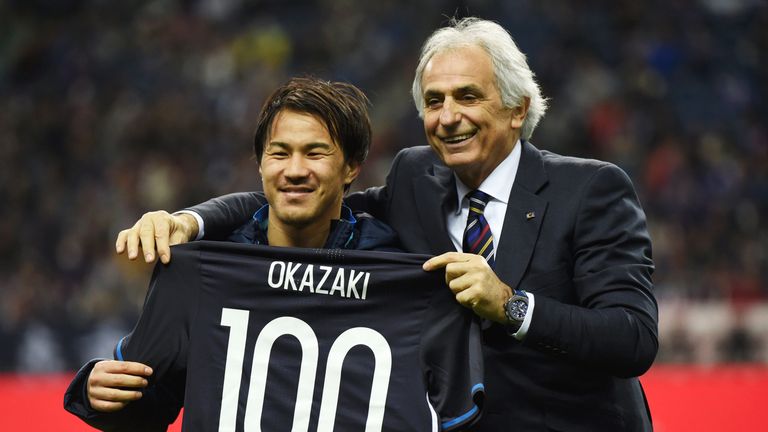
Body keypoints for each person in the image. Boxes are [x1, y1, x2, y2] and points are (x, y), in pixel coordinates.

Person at [119, 18, 658, 431]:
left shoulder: (591, 189)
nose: (448, 116)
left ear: (517, 109)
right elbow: (308, 196)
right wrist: (190, 220)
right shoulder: (415, 177)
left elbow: (632, 338)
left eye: (468, 97)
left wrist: (512, 306)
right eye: (434, 101)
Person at [65, 77, 484, 430]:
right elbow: (143, 408)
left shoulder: (405, 273)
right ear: (261, 165)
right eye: (280, 153)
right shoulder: (200, 272)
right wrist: (90, 389)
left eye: (315, 153)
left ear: (352, 168)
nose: (295, 169)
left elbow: (459, 420)